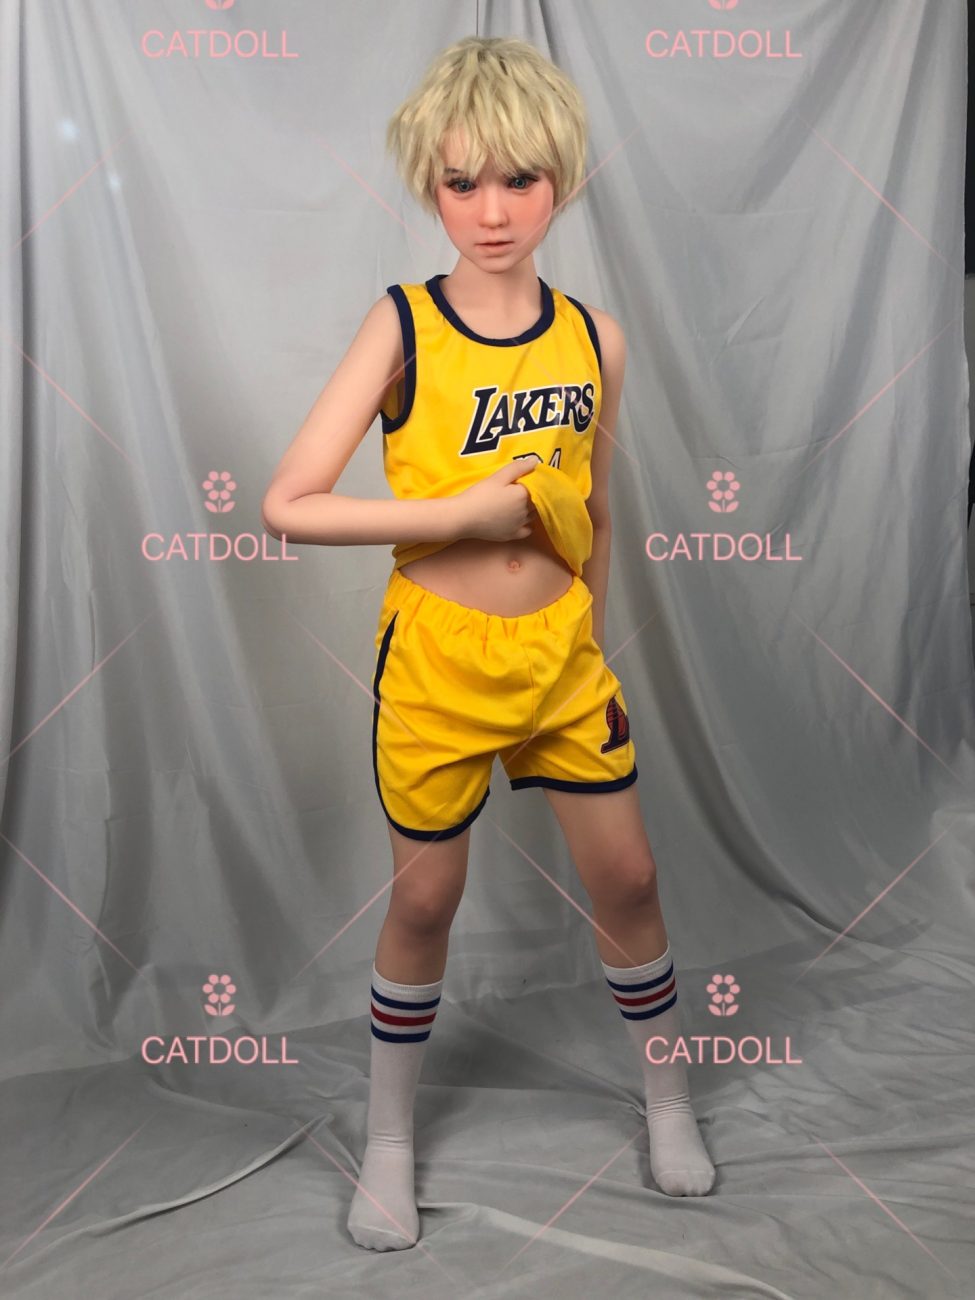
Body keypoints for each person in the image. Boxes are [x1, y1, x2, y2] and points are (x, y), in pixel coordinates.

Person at [261, 35, 715, 1253]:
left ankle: (669, 1102)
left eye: (520, 178)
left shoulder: (597, 337)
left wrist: (593, 643)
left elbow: (597, 506)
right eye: (463, 183)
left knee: (630, 880)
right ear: (430, 187)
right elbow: (288, 501)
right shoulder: (405, 324)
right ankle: (390, 1143)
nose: (494, 210)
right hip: (439, 659)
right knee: (426, 894)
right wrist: (453, 516)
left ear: (561, 175)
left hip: (561, 656)